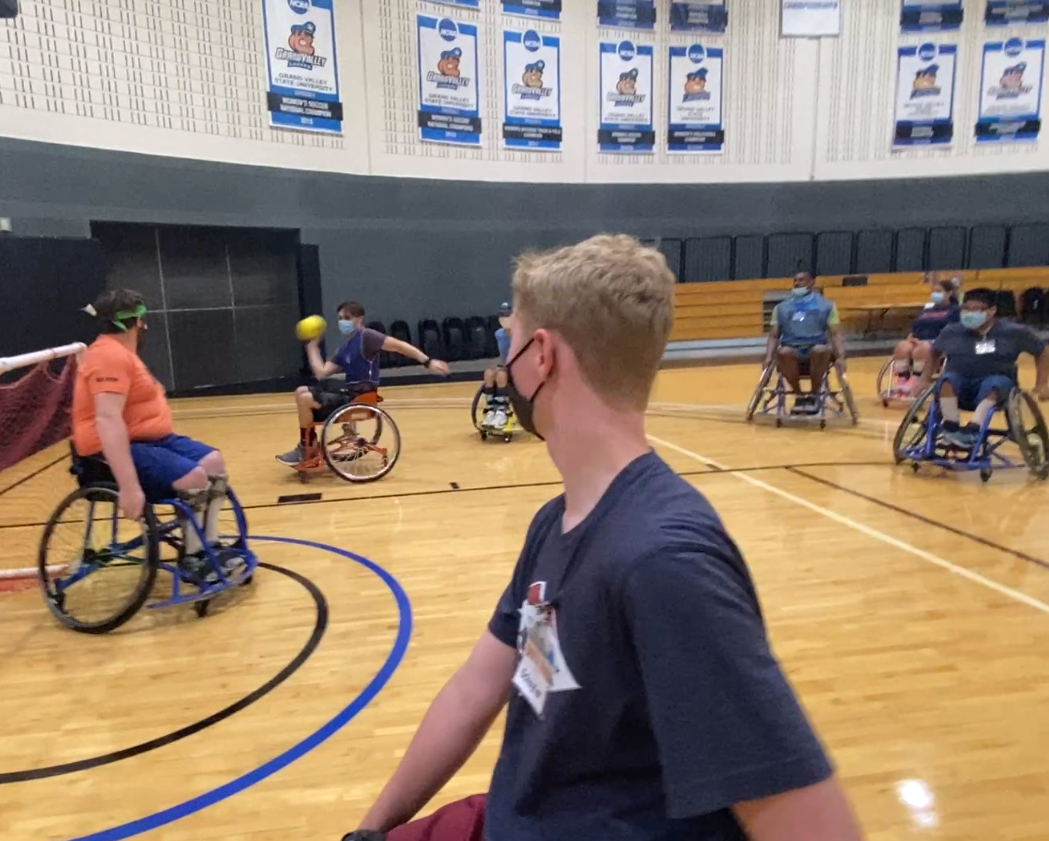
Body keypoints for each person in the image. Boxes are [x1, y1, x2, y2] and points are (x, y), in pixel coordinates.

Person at [347, 235, 862, 841]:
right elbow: (475, 688)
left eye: (511, 343)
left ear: (541, 356)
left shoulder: (664, 562)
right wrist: (371, 830)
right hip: (519, 813)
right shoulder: (556, 521)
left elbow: (818, 828)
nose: (504, 366)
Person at [71, 289, 228, 542]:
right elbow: (107, 419)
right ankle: (196, 556)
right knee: (194, 477)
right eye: (141, 320)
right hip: (110, 450)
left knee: (213, 462)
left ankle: (208, 541)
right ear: (135, 322)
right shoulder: (108, 356)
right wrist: (129, 486)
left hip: (148, 440)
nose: (144, 325)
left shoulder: (122, 354)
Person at [277, 301, 449, 466]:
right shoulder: (345, 348)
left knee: (306, 398)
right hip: (349, 393)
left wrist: (427, 361)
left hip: (360, 397)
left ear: (359, 318)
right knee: (301, 391)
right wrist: (311, 345)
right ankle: (309, 444)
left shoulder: (367, 336)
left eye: (347, 318)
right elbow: (321, 372)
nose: (342, 322)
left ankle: (306, 447)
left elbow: (399, 346)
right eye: (340, 318)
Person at [930, 287, 1049, 450]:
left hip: (996, 388)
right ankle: (950, 426)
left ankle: (974, 429)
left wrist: (1042, 383)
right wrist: (924, 379)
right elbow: (934, 352)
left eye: (975, 309)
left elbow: (1043, 351)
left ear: (991, 311)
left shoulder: (1013, 332)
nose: (969, 314)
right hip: (960, 387)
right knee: (948, 379)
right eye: (966, 309)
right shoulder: (951, 331)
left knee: (995, 383)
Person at [764, 272, 846, 414]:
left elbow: (835, 334)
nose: (796, 283)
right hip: (792, 350)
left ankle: (814, 394)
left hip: (816, 349)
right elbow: (773, 335)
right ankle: (800, 396)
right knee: (783, 352)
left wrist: (841, 357)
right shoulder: (781, 308)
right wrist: (768, 357)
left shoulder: (826, 306)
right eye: (795, 280)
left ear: (811, 283)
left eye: (801, 280)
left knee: (821, 350)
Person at [888, 277, 960, 393]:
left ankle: (916, 379)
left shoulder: (955, 311)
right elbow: (916, 326)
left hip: (938, 343)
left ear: (949, 293)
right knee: (902, 346)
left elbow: (954, 330)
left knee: (923, 348)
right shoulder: (927, 311)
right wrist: (911, 337)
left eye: (939, 291)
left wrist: (933, 341)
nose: (935, 294)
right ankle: (902, 379)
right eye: (934, 291)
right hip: (918, 340)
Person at [479, 302, 514, 429]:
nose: (504, 318)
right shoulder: (499, 334)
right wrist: (498, 365)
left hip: (518, 368)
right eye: (501, 315)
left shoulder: (522, 334)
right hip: (505, 366)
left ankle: (502, 411)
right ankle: (491, 409)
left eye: (506, 315)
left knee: (501, 374)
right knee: (489, 373)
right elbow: (502, 354)